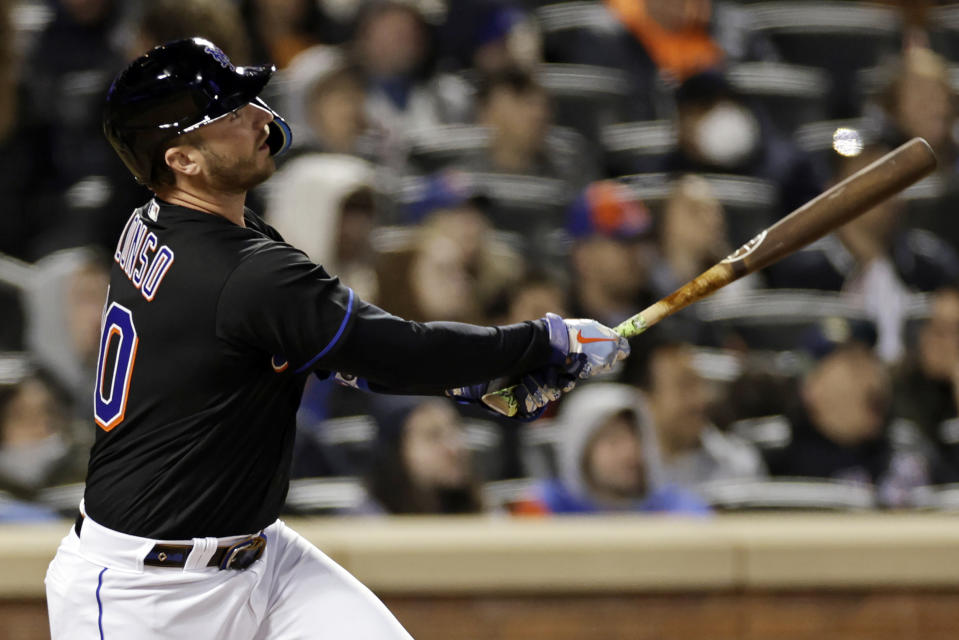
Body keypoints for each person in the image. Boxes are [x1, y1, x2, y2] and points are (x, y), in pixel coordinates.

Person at [44, 38, 629, 640]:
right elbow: (400, 349)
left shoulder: (157, 221)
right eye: (231, 114)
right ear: (183, 160)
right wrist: (541, 341)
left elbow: (319, 348)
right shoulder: (243, 272)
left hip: (259, 559)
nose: (259, 117)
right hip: (144, 595)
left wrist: (472, 380)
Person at [518, 383, 710, 515]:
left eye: (637, 437)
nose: (630, 452)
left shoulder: (675, 510)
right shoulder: (540, 510)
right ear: (579, 450)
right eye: (613, 440)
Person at [627, 339, 766, 490]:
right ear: (644, 399)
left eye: (699, 384)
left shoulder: (739, 465)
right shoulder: (621, 469)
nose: (700, 399)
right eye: (684, 386)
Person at [362, 396, 483, 515]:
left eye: (457, 430)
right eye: (433, 435)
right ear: (398, 451)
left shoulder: (490, 519)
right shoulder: (365, 526)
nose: (455, 447)